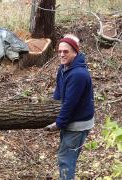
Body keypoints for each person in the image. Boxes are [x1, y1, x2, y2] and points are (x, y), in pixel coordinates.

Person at [44, 34, 95, 180]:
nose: (61, 54)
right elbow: (59, 93)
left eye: (65, 51)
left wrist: (58, 124)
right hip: (72, 120)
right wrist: (52, 107)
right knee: (65, 156)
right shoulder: (64, 68)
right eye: (59, 51)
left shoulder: (78, 74)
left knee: (66, 159)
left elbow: (70, 104)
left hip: (78, 124)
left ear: (75, 52)